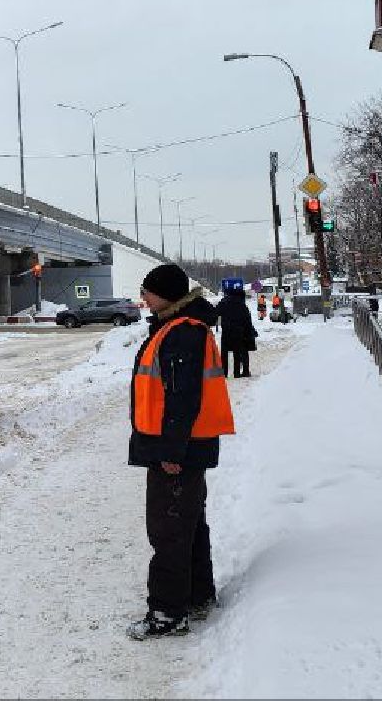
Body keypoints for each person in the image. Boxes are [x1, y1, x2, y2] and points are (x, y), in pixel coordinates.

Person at [127, 263, 236, 641]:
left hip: (177, 450)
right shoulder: (179, 328)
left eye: (148, 291)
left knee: (169, 529)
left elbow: (183, 399)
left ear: (168, 295)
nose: (143, 298)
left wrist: (171, 451)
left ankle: (168, 613)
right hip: (184, 447)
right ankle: (197, 594)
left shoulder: (182, 333)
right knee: (187, 523)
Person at [218, 285, 257, 378]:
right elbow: (247, 320)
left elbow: (216, 313)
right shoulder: (242, 305)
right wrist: (250, 331)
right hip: (239, 331)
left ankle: (224, 373)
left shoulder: (224, 302)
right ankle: (236, 373)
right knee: (237, 351)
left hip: (226, 330)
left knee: (224, 353)